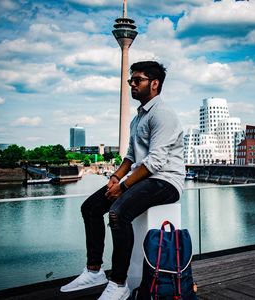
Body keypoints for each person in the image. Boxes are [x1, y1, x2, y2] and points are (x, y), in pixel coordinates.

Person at [60, 61, 185, 300]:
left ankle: (119, 283)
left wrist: (124, 186)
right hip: (143, 179)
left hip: (166, 181)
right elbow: (130, 156)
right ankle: (94, 270)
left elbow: (155, 162)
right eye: (131, 81)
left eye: (137, 80)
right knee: (91, 208)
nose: (132, 85)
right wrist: (116, 177)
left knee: (118, 213)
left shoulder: (163, 114)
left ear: (155, 84)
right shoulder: (138, 119)